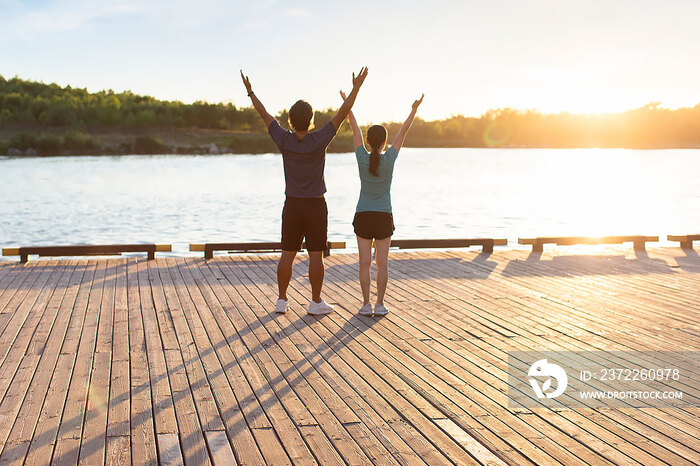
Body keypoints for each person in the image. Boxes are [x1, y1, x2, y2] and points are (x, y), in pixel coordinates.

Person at [241, 67, 369, 315]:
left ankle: (281, 300)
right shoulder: (319, 139)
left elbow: (264, 114)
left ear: (290, 120)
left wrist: (250, 92)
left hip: (292, 205)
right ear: (310, 120)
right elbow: (343, 114)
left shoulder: (284, 139)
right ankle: (315, 301)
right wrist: (356, 88)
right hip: (315, 206)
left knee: (287, 254)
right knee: (315, 255)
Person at [340, 90, 424, 316]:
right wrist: (413, 111)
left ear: (367, 141)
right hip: (383, 215)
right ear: (385, 141)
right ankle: (380, 304)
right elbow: (403, 132)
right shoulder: (389, 159)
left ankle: (366, 305)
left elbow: (354, 129)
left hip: (363, 215)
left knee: (364, 262)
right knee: (382, 264)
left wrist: (348, 105)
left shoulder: (361, 157)